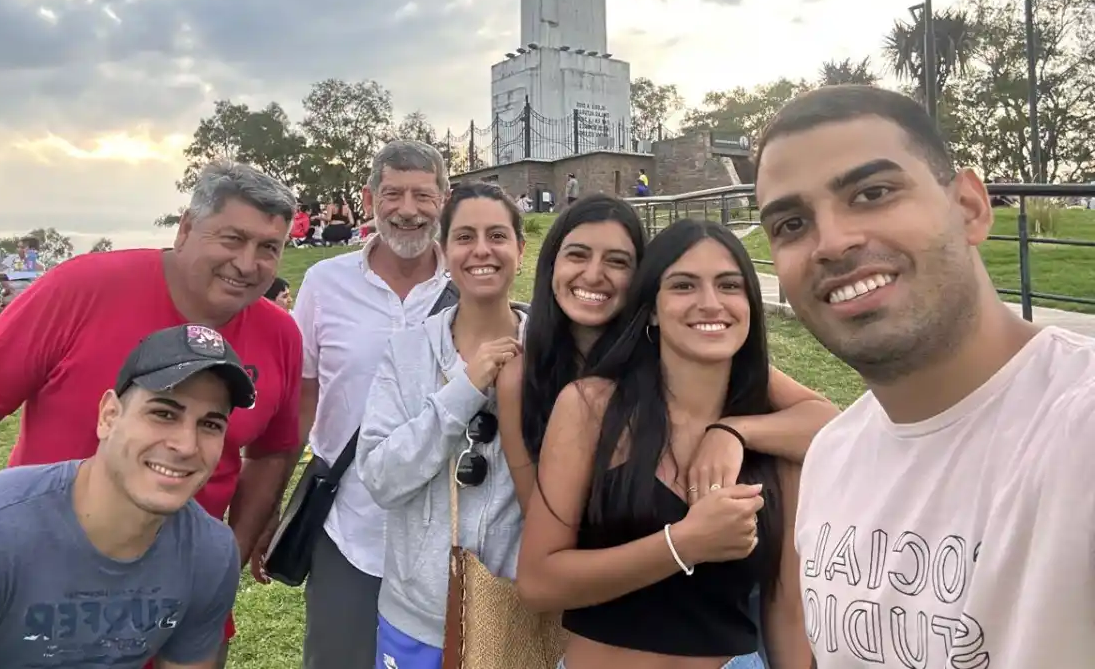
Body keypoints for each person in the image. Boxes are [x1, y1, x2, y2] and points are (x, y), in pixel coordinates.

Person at [753, 84, 1095, 667]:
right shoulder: (833, 457)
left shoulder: (1076, 430)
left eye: (873, 192)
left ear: (969, 207)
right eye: (790, 224)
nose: (831, 243)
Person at [0, 161, 305, 668]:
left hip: (178, 600)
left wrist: (226, 558)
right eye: (232, 238)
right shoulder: (82, 287)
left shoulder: (279, 334)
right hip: (39, 582)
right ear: (186, 228)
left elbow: (274, 450)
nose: (248, 263)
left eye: (269, 248)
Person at [516, 220, 809, 668]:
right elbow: (538, 583)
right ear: (651, 309)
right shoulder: (590, 408)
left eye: (729, 285)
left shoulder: (777, 438)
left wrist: (732, 432)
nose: (710, 303)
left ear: (750, 303)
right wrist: (683, 544)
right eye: (684, 285)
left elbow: (785, 614)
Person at [0, 324, 257, 669]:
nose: (186, 445)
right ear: (109, 416)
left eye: (210, 424)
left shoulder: (209, 552)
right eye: (163, 413)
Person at [499, 194, 837, 514]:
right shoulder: (521, 377)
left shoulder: (672, 354)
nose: (593, 274)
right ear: (550, 264)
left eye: (617, 261)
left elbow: (827, 422)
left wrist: (732, 431)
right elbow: (540, 526)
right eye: (577, 255)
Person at [291, 141, 453, 669]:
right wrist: (271, 499)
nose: (408, 209)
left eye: (423, 195)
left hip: (450, 529)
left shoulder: (470, 281)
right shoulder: (324, 283)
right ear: (368, 199)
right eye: (393, 194)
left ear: (444, 199)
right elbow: (303, 392)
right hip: (350, 524)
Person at [358, 181, 528, 667]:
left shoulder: (554, 351)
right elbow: (380, 477)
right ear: (445, 249)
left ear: (520, 248)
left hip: (518, 612)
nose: (482, 250)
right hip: (417, 617)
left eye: (497, 236)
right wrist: (464, 388)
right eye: (465, 236)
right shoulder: (408, 350)